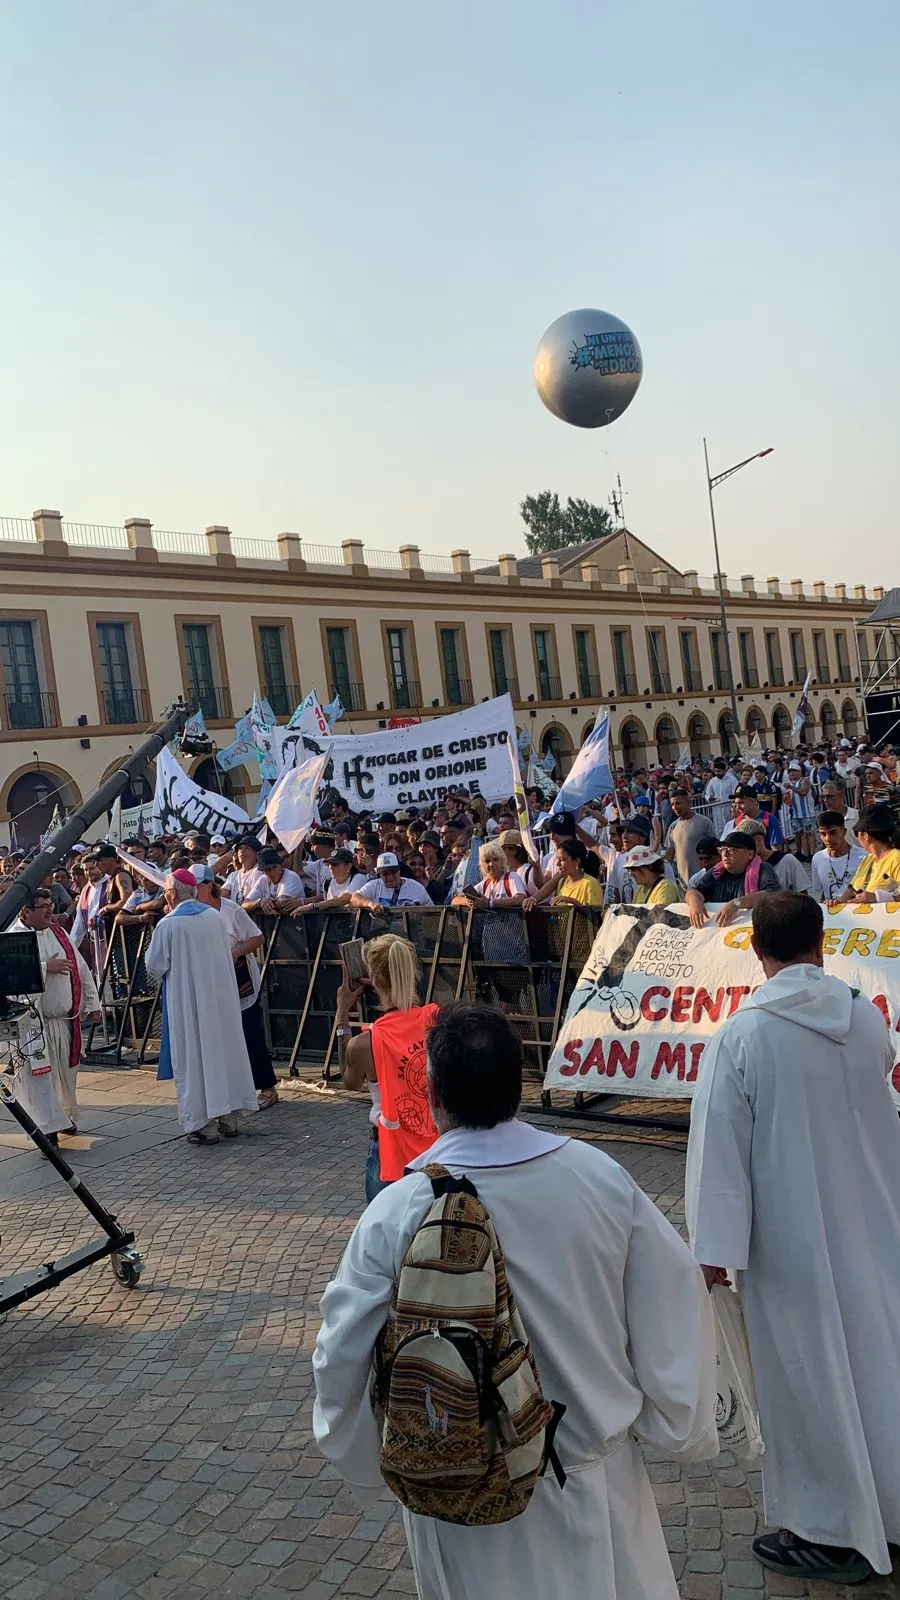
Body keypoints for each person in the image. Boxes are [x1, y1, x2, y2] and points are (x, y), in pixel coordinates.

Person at [314, 1002, 718, 1600]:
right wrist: (677, 1423)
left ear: (433, 1093)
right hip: (594, 1484)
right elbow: (674, 1300)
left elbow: (340, 1352)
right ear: (518, 1085)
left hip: (462, 1496)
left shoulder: (398, 1210)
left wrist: (365, 1461)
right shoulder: (600, 1177)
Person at [686, 893, 900, 1584]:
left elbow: (718, 1150)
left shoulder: (743, 1037)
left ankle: (832, 1533)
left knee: (810, 1381)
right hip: (875, 1228)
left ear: (756, 950)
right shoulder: (866, 1021)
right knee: (880, 1372)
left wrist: (713, 1251)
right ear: (821, 943)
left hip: (792, 1247)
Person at [145, 870, 258, 1145]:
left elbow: (154, 965)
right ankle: (229, 1117)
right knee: (223, 1054)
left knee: (194, 1059)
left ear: (172, 894)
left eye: (166, 892)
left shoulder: (168, 925)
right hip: (220, 1001)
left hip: (190, 1004)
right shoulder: (214, 917)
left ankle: (203, 1125)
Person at [334, 933, 439, 1202]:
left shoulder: (364, 1043)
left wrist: (342, 1012)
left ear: (373, 977)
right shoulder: (437, 1020)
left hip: (391, 1152)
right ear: (413, 971)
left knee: (385, 1225)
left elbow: (350, 1081)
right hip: (438, 1146)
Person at [10, 888, 101, 1140]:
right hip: (33, 1026)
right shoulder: (14, 937)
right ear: (26, 911)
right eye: (44, 906)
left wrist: (92, 1003)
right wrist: (44, 967)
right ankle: (46, 1131)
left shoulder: (59, 932)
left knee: (65, 1075)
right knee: (41, 1081)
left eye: (51, 904)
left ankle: (64, 1116)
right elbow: (12, 975)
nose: (51, 910)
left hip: (62, 1022)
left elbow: (81, 969)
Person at [193, 865, 279, 1110]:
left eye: (197, 887)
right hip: (213, 981)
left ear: (209, 886)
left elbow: (258, 937)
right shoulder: (194, 913)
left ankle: (267, 1087)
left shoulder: (231, 910)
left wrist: (237, 951)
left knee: (249, 1032)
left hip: (240, 979)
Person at [686, 831, 781, 928]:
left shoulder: (763, 868)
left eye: (731, 849)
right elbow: (694, 891)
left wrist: (736, 903)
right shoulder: (717, 872)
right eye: (722, 849)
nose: (725, 854)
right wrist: (695, 902)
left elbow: (773, 894)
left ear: (750, 854)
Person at [837, 801, 900, 902]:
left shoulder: (896, 858)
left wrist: (877, 898)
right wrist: (837, 902)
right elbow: (852, 890)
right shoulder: (868, 860)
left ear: (866, 836)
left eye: (857, 834)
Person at [810, 810, 866, 902]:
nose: (828, 839)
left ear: (844, 831)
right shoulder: (818, 859)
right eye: (823, 834)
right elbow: (823, 893)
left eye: (833, 833)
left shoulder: (864, 856)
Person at [454, 840, 526, 909]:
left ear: (502, 861)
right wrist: (469, 902)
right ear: (482, 865)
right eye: (487, 861)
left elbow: (520, 898)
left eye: (495, 860)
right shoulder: (485, 884)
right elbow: (455, 900)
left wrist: (490, 903)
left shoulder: (511, 877)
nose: (491, 864)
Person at [352, 851, 433, 911]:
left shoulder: (415, 887)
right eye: (385, 874)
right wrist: (370, 904)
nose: (390, 877)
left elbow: (432, 911)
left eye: (393, 872)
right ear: (379, 874)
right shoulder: (375, 885)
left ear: (399, 871)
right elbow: (354, 898)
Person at [663, 787, 711, 885]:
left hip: (703, 881)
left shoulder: (704, 822)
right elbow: (669, 854)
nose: (675, 807)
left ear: (688, 802)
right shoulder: (673, 826)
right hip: (683, 884)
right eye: (672, 804)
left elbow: (713, 850)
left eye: (678, 803)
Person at [245, 846, 305, 913]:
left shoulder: (291, 876)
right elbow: (244, 904)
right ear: (262, 871)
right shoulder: (262, 879)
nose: (272, 872)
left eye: (274, 867)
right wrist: (259, 902)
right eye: (267, 869)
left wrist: (265, 903)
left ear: (280, 865)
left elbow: (282, 903)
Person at [221, 835, 268, 904]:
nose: (242, 851)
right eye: (240, 848)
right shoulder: (233, 875)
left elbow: (254, 900)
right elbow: (221, 896)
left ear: (257, 854)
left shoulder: (259, 872)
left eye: (247, 848)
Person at [704, 756, 738, 833]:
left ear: (724, 770)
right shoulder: (712, 781)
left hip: (728, 807)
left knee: (730, 827)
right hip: (717, 809)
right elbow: (707, 793)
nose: (717, 773)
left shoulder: (732, 780)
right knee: (718, 829)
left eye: (719, 771)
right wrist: (710, 797)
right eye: (715, 771)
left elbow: (736, 793)